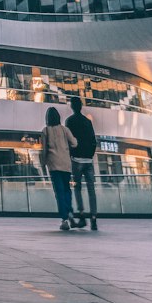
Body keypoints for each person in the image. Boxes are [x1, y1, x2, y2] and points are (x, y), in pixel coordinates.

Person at [64, 94, 99, 231]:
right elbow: (93, 140)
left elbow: (69, 140)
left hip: (76, 160)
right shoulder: (87, 121)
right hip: (88, 160)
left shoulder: (69, 121)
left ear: (72, 106)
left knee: (77, 188)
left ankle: (82, 215)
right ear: (81, 106)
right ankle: (94, 218)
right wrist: (90, 155)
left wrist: (72, 155)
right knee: (91, 190)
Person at [39, 105, 76, 230]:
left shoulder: (45, 131)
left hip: (53, 165)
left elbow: (44, 149)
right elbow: (74, 143)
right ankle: (70, 210)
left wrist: (43, 162)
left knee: (59, 192)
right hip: (66, 164)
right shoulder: (65, 130)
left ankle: (64, 218)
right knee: (67, 189)